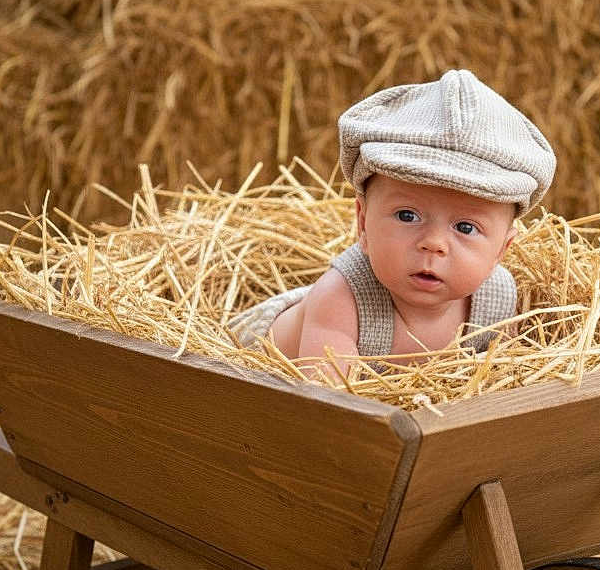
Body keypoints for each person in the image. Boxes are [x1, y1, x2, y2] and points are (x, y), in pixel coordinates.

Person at [230, 69, 556, 380]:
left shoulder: (497, 301)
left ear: (502, 249)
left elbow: (506, 381)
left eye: (466, 228)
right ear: (363, 224)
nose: (434, 243)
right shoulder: (341, 301)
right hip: (251, 374)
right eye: (407, 216)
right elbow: (326, 411)